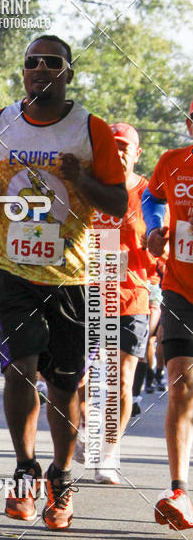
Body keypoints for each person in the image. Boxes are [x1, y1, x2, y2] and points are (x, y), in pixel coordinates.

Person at [0, 35, 126, 528]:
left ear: (68, 74)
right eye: (31, 63)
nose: (39, 69)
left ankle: (60, 477)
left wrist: (81, 178)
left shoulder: (92, 130)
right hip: (9, 267)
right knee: (18, 368)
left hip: (72, 277)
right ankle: (24, 468)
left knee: (64, 387)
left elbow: (119, 205)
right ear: (23, 72)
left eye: (51, 63)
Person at [75, 122, 154, 484]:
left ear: (137, 153)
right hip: (89, 293)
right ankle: (82, 428)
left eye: (126, 146)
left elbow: (158, 243)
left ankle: (109, 451)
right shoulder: (88, 188)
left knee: (122, 382)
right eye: (113, 145)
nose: (119, 151)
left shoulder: (149, 193)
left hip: (131, 297)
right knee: (84, 376)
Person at [143, 100, 193, 530]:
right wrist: (154, 230)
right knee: (180, 380)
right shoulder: (172, 162)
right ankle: (178, 490)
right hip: (179, 287)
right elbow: (151, 197)